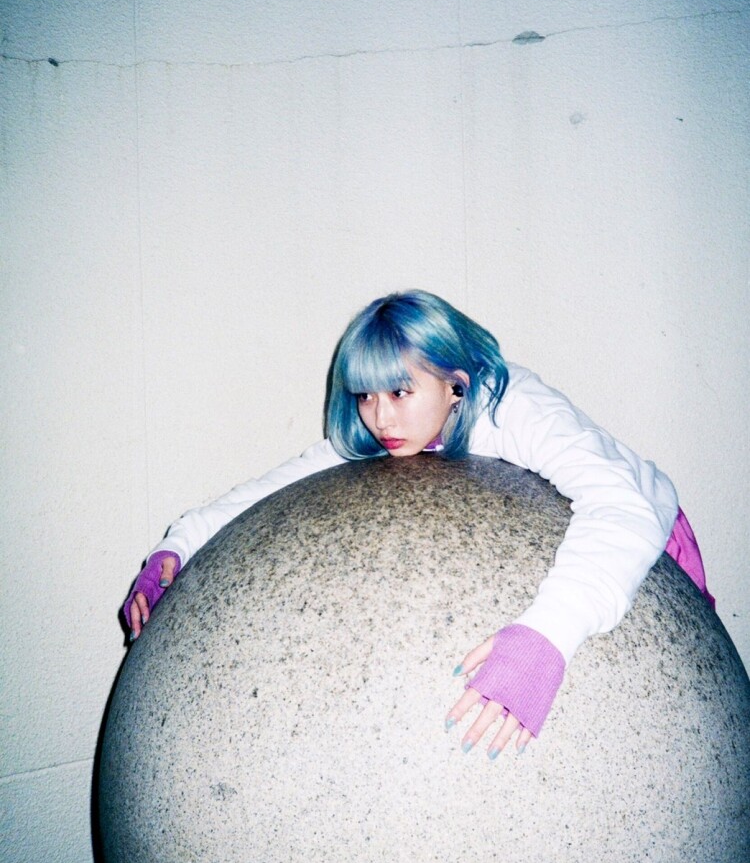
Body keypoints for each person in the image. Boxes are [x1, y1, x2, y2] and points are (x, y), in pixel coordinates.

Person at [123, 290, 712, 757]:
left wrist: (547, 635)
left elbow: (621, 506)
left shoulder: (517, 406)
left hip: (646, 541)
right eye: (365, 395)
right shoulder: (387, 431)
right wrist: (177, 550)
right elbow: (269, 489)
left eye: (400, 392)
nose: (380, 418)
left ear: (456, 383)